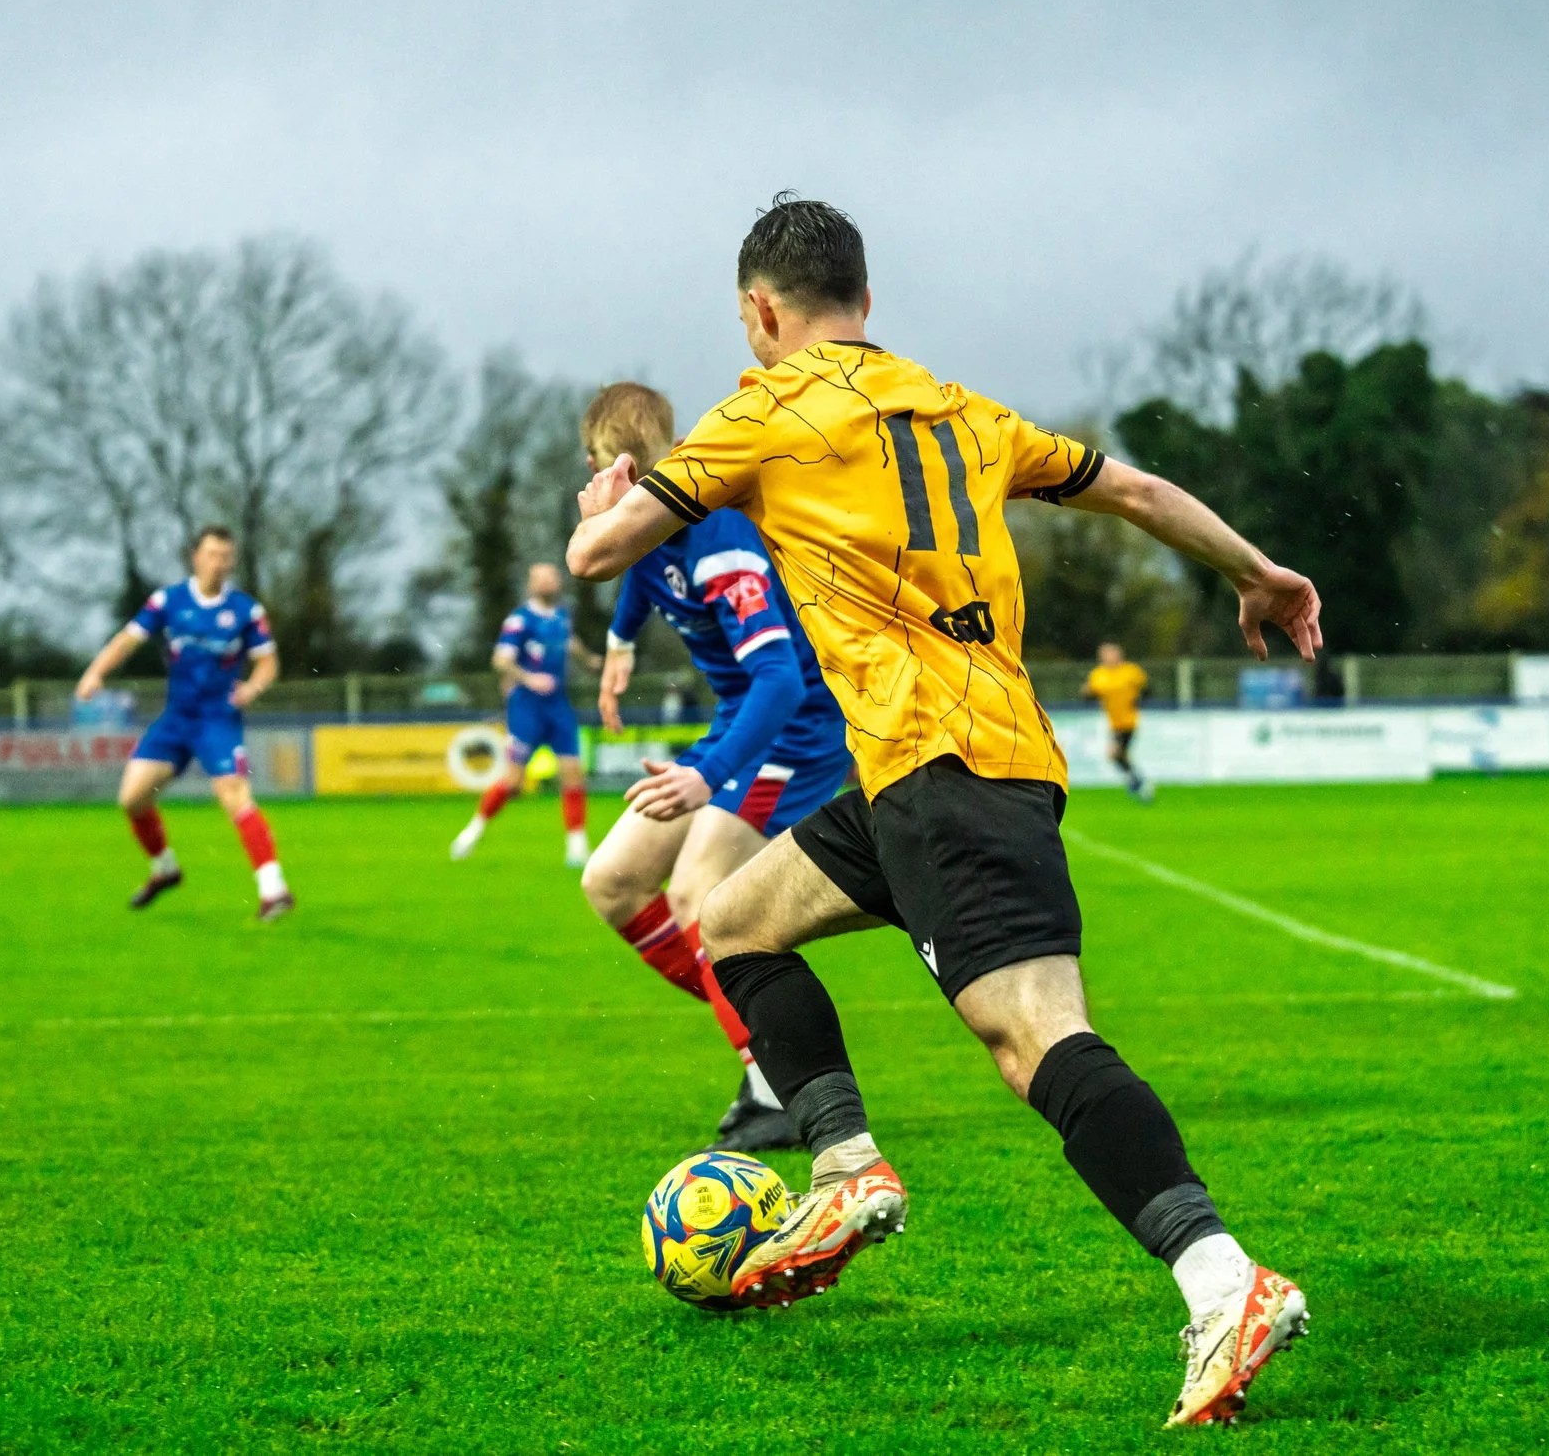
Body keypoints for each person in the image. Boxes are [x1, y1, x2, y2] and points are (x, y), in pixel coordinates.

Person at [566, 197, 1324, 1428]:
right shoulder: (961, 407)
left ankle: (1219, 1277)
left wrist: (611, 492)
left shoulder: (759, 409)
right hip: (948, 766)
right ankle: (844, 1168)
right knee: (734, 920)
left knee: (1036, 1038)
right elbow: (1131, 488)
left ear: (760, 312)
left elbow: (602, 556)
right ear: (863, 298)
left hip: (940, 775)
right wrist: (1259, 570)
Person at [575, 382, 854, 1153]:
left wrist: (707, 777)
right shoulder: (651, 532)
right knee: (611, 880)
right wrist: (620, 650)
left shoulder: (719, 541)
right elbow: (634, 576)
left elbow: (781, 680)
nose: (589, 486)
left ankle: (775, 1076)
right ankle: (768, 1031)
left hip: (793, 731)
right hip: (738, 725)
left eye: (597, 468)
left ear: (626, 466)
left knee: (703, 893)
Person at [74, 525, 294, 923]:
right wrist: (95, 673)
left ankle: (273, 889)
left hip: (217, 720)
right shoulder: (169, 601)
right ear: (195, 557)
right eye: (212, 554)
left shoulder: (246, 611)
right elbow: (128, 639)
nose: (219, 564)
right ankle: (165, 869)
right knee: (132, 799)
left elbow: (268, 661)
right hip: (176, 719)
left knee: (235, 794)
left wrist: (253, 688)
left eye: (226, 557)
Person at [450, 562, 601, 867]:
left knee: (572, 773)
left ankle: (576, 848)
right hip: (526, 706)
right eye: (540, 579)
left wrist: (589, 660)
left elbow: (570, 643)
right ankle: (473, 830)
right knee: (514, 781)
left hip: (558, 705)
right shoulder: (520, 620)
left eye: (551, 577)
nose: (547, 583)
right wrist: (529, 678)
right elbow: (501, 659)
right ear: (531, 584)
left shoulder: (562, 616)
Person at [1085, 641, 1154, 802]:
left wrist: (1137, 701)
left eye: (1111, 653)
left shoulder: (1131, 672)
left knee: (1115, 754)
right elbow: (1088, 694)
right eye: (1104, 654)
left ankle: (1140, 783)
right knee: (1119, 756)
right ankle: (1137, 782)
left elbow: (1147, 690)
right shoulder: (1098, 674)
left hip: (1129, 721)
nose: (1108, 657)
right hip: (1113, 722)